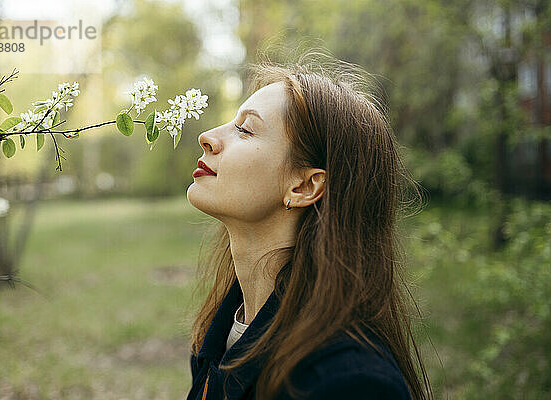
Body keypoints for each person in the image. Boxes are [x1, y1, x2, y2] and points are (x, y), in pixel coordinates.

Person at [185, 50, 432, 400]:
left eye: (245, 129)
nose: (208, 137)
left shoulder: (348, 383)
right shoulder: (221, 333)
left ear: (303, 186)